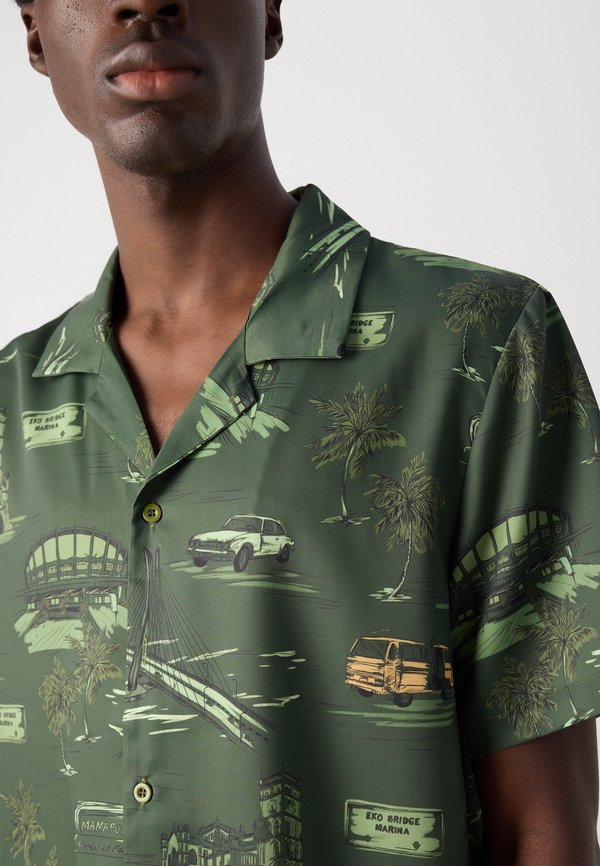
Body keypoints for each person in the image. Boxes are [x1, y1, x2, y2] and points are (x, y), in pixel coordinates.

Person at [1, 1, 599, 864]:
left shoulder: (482, 345)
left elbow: (541, 829)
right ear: (33, 33)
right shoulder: (11, 409)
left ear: (272, 14)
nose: (144, 3)